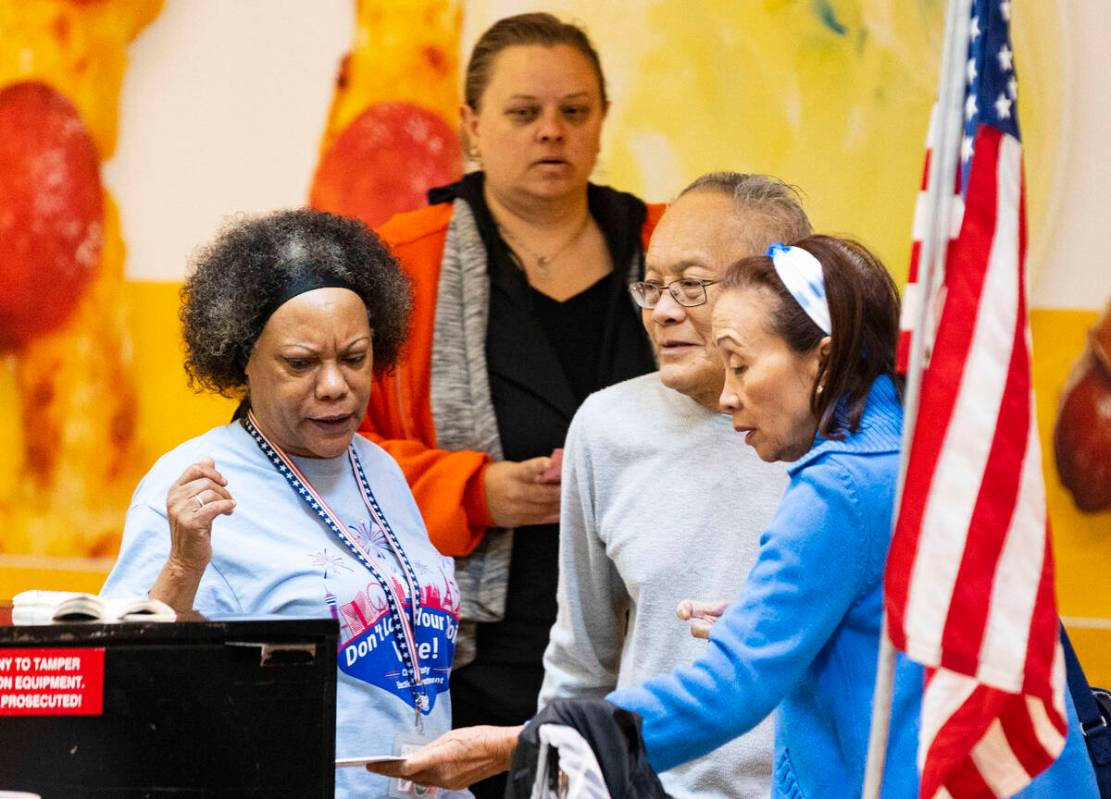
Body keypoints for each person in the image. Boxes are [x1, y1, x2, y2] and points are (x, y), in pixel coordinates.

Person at [367, 235, 1099, 797]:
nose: (725, 396)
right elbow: (908, 628)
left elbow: (724, 692)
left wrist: (519, 744)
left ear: (824, 354)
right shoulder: (922, 445)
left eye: (740, 364)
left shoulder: (837, 488)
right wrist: (788, 620)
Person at [359, 13, 662, 796]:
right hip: (473, 641)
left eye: (574, 111)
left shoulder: (669, 252)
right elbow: (329, 454)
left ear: (601, 121)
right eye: (523, 113)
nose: (550, 132)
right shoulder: (402, 260)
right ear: (472, 126)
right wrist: (473, 490)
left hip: (648, 636)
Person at [101, 209, 465, 799]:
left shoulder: (383, 470)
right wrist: (181, 569)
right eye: (300, 363)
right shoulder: (190, 480)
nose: (333, 385)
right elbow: (120, 686)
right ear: (242, 358)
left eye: (354, 357)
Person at [538, 172, 810, 798]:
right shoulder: (605, 428)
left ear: (783, 292)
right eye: (653, 285)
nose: (662, 311)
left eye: (691, 285)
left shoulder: (857, 440)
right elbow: (582, 662)